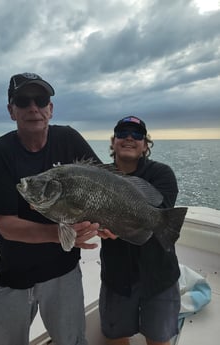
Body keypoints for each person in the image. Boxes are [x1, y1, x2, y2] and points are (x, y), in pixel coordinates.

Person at [0, 72, 102, 345]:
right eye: (23, 101)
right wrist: (61, 234)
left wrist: (103, 223)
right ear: (11, 111)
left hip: (64, 273)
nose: (33, 107)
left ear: (51, 108)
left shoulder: (68, 138)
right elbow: (7, 225)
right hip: (14, 275)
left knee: (72, 341)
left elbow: (103, 186)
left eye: (41, 99)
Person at [98, 116, 181, 345]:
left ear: (145, 145)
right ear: (113, 142)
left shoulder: (162, 174)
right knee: (115, 337)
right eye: (123, 133)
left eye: (137, 135)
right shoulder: (99, 177)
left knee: (158, 339)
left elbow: (163, 216)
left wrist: (120, 227)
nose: (129, 138)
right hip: (117, 276)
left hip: (159, 276)